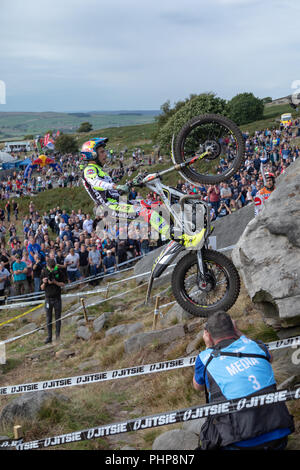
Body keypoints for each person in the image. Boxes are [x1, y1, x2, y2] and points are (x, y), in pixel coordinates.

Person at [193, 311, 294, 450]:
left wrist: (208, 348)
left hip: (239, 442)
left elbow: (198, 386)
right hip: (279, 435)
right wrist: (239, 334)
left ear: (208, 335)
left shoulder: (205, 358)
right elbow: (270, 357)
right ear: (234, 329)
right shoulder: (257, 346)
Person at [40, 258, 65, 344]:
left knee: (58, 318)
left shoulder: (58, 271)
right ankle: (49, 337)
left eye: (52, 267)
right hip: (48, 298)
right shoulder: (43, 272)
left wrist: (55, 282)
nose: (51, 269)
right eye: (50, 267)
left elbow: (63, 284)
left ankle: (57, 336)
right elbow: (41, 287)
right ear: (47, 266)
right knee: (48, 319)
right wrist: (44, 282)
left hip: (57, 298)